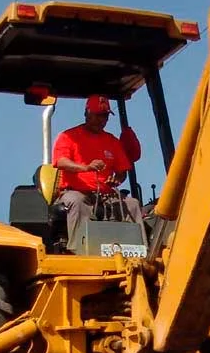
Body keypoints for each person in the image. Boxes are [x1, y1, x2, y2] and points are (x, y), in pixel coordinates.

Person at [50, 95, 145, 246]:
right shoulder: (68, 136)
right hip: (75, 192)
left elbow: (122, 171)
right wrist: (86, 168)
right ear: (87, 113)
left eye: (105, 116)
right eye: (98, 115)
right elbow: (60, 162)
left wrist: (117, 180)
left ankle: (141, 252)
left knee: (132, 204)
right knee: (77, 202)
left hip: (105, 194)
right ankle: (79, 250)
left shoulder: (112, 141)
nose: (102, 120)